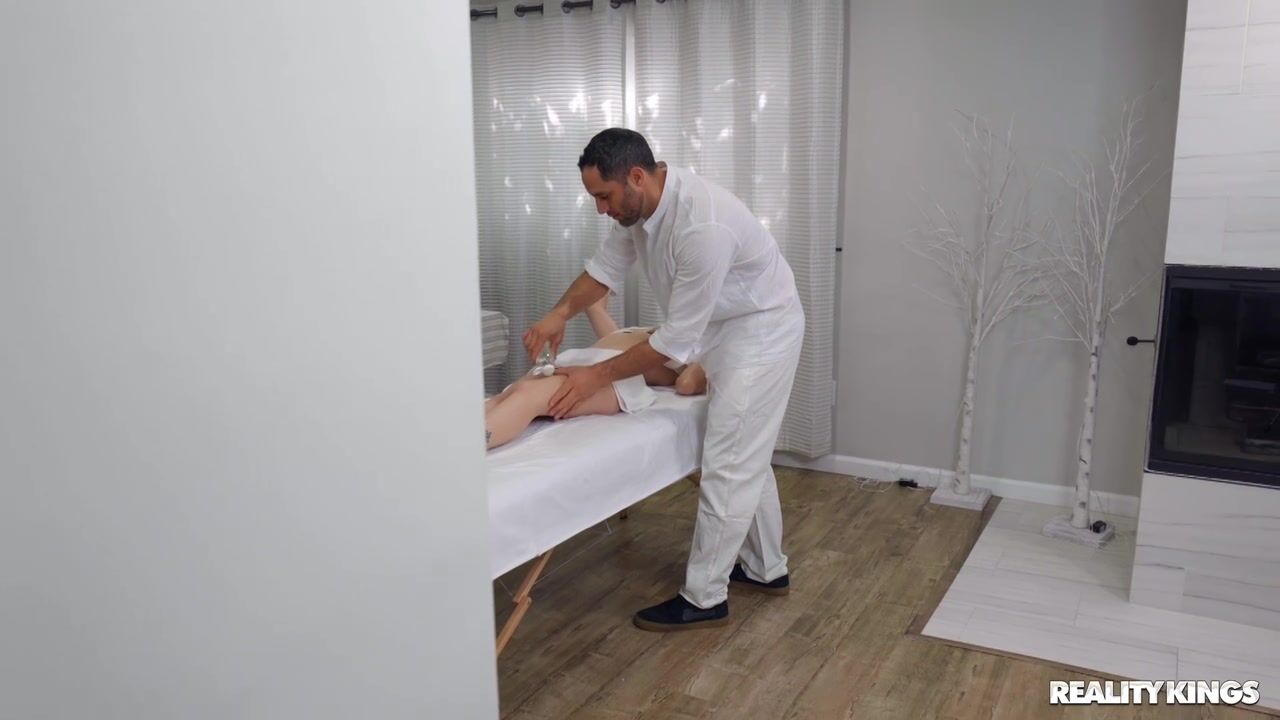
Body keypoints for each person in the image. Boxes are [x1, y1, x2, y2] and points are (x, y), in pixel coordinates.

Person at [522, 128, 805, 631]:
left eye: (604, 197)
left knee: (729, 461)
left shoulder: (702, 225)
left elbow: (673, 343)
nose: (600, 209)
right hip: (722, 325)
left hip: (760, 330)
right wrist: (559, 313)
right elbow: (603, 270)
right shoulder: (638, 211)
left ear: (636, 177)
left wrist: (593, 377)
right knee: (746, 452)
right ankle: (766, 569)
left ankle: (704, 598)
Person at [485, 296, 705, 450]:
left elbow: (686, 384)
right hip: (583, 361)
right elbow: (609, 332)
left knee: (529, 396)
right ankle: (464, 440)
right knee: (511, 392)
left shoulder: (700, 346)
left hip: (613, 380)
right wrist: (593, 302)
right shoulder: (657, 329)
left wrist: (708, 359)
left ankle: (472, 449)